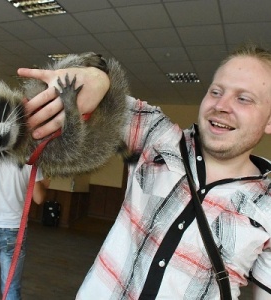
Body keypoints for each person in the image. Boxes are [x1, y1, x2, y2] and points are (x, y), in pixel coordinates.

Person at [17, 43, 271, 299]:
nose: (221, 105)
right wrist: (97, 76)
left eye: (243, 98)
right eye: (216, 91)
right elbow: (100, 96)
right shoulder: (156, 136)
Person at [0, 152, 49, 300]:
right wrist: (45, 183)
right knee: (11, 287)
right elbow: (39, 198)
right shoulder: (29, 158)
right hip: (14, 231)